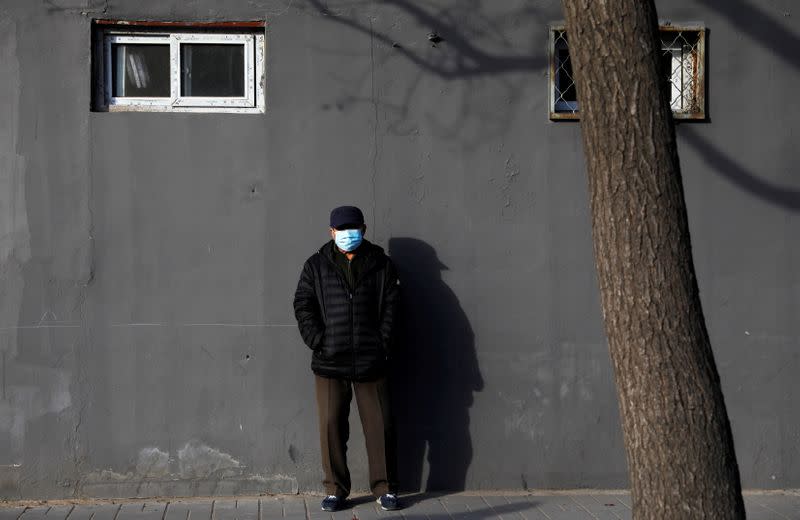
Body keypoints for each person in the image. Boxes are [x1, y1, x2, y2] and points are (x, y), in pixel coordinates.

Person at [293, 205, 401, 512]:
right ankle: (336, 489)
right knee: (330, 426)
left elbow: (393, 306)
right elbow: (303, 304)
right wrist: (318, 340)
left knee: (380, 425)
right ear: (331, 232)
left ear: (364, 230)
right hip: (330, 361)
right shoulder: (316, 265)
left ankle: (385, 488)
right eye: (341, 230)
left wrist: (382, 342)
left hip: (372, 360)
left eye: (353, 228)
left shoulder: (381, 264)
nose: (347, 235)